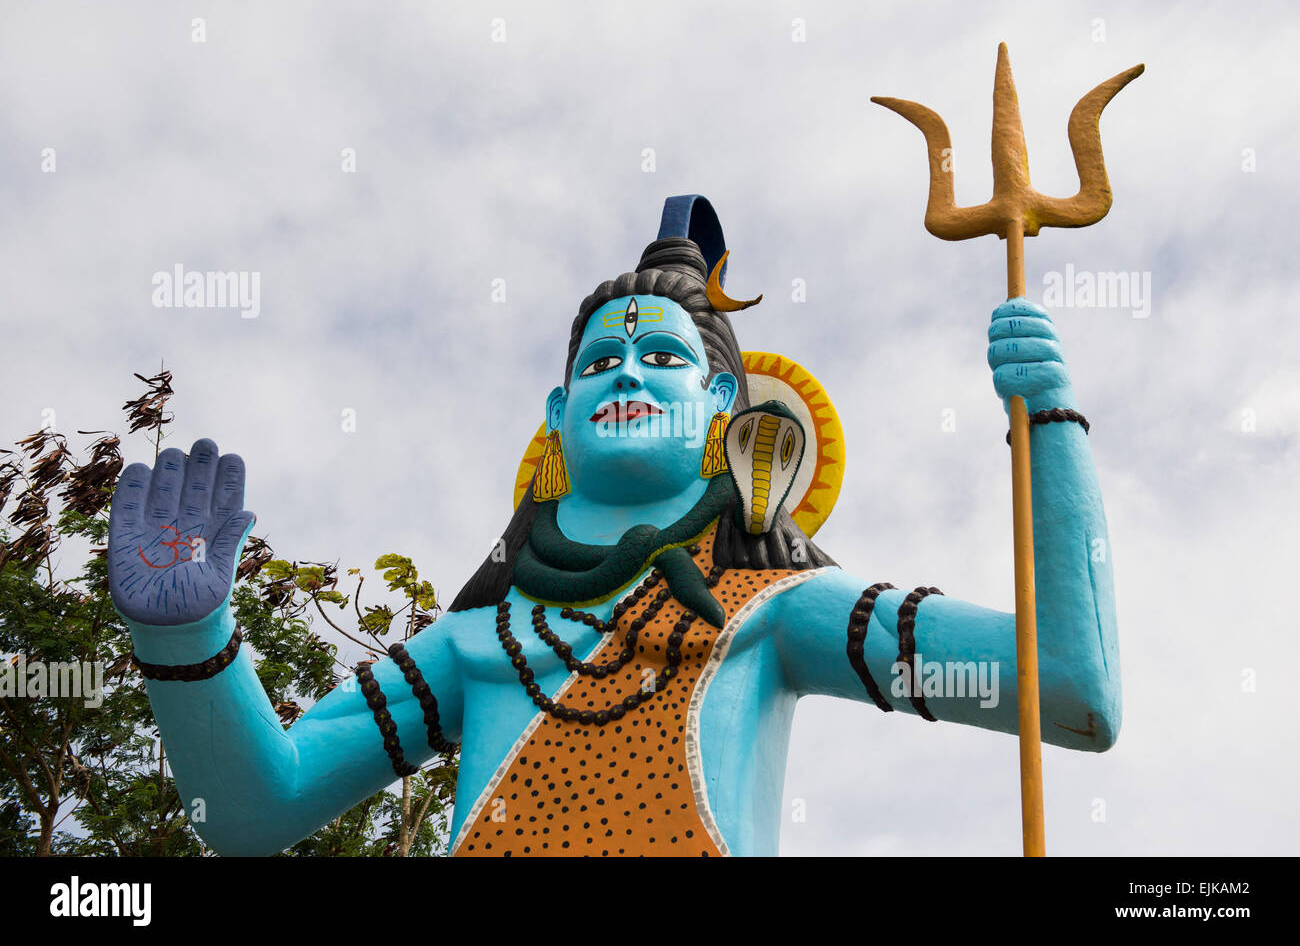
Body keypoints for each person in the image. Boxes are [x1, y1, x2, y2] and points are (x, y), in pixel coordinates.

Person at [107, 196, 1118, 856]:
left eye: (662, 360)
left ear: (725, 404)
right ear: (554, 416)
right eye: (596, 364)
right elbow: (250, 811)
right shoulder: (478, 640)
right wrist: (188, 639)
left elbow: (1068, 691)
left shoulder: (778, 610)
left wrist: (1053, 428)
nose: (626, 373)